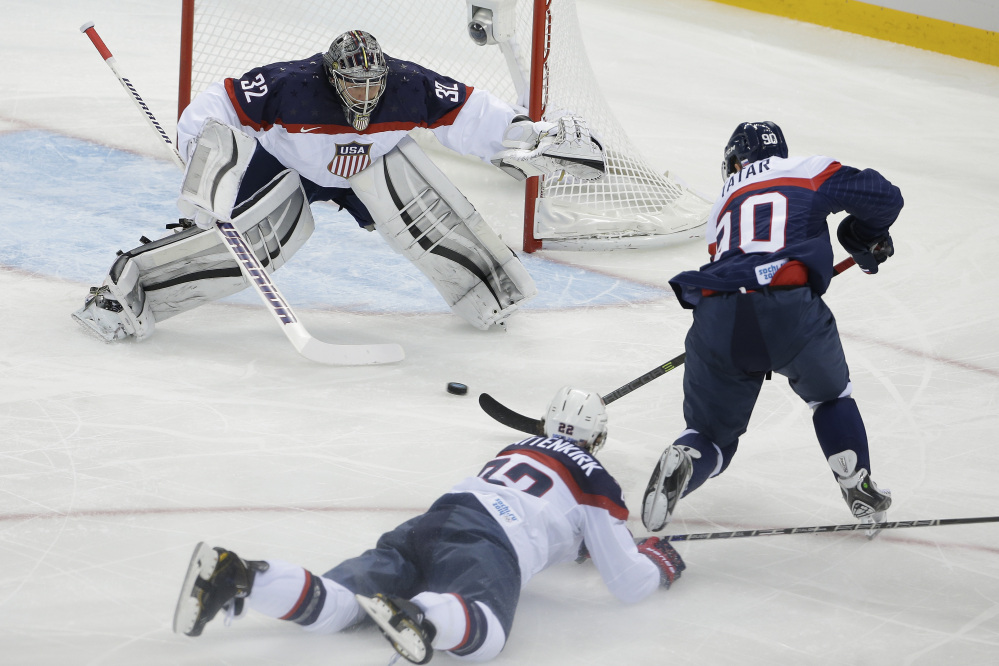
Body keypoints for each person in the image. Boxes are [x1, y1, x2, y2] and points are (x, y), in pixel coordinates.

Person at [72, 30, 604, 341]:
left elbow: (473, 116)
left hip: (368, 167)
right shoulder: (290, 85)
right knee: (252, 247)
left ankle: (490, 291)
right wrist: (206, 163)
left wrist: (532, 139)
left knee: (431, 214)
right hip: (289, 167)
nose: (365, 93)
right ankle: (125, 293)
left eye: (373, 82)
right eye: (353, 82)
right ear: (330, 76)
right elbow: (213, 108)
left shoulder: (409, 84)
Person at [173, 387, 684, 663]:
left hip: (430, 523)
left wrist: (577, 546)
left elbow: (547, 514)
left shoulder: (514, 449)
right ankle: (422, 617)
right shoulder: (596, 478)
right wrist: (658, 562)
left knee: (341, 605)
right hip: (487, 543)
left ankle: (243, 575)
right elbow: (628, 583)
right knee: (487, 638)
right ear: (598, 439)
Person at [641, 121, 902, 535]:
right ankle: (856, 483)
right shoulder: (807, 169)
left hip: (716, 313)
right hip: (789, 312)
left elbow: (740, 262)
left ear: (733, 161)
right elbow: (886, 197)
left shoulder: (722, 202)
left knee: (709, 434)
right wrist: (862, 234)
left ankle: (687, 463)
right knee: (832, 397)